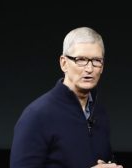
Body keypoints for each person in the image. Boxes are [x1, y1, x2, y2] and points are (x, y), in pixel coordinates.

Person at [10, 27, 123, 168]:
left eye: (96, 60)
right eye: (80, 60)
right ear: (63, 63)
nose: (89, 69)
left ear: (102, 66)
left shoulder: (100, 113)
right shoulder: (37, 116)